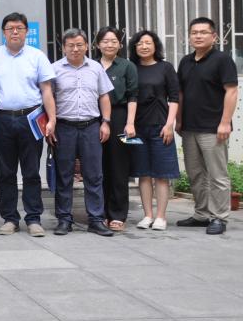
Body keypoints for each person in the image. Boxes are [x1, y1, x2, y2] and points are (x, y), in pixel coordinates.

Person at [0, 13, 56, 237]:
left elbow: (46, 90)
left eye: (19, 28)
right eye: (10, 28)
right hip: (1, 119)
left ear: (26, 31)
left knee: (31, 171)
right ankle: (10, 218)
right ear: (4, 32)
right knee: (6, 172)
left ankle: (33, 218)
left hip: (32, 119)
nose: (15, 32)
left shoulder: (37, 56)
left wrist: (52, 119)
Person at [176, 16, 238, 235]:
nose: (198, 36)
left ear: (214, 36)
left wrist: (225, 122)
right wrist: (179, 120)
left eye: (203, 32)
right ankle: (201, 214)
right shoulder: (185, 61)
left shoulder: (222, 60)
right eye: (194, 32)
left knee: (217, 175)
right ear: (189, 37)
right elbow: (180, 93)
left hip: (214, 128)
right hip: (189, 127)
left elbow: (231, 91)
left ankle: (219, 217)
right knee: (195, 174)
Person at [51, 28, 114, 236]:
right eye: (70, 45)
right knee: (64, 175)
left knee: (94, 175)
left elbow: (104, 96)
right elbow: (48, 98)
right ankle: (64, 219)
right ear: (63, 48)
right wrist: (50, 125)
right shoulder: (54, 69)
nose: (75, 49)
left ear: (87, 46)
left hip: (91, 126)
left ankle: (96, 219)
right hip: (64, 127)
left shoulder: (96, 68)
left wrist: (105, 122)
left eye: (79, 45)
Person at [128, 30, 180, 231]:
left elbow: (174, 98)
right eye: (140, 43)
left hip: (161, 127)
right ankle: (148, 215)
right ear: (135, 47)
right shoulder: (131, 68)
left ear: (155, 46)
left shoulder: (165, 67)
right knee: (143, 174)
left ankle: (161, 217)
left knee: (161, 174)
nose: (144, 46)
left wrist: (169, 124)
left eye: (148, 43)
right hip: (137, 128)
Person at [94, 26, 138, 231]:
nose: (109, 44)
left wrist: (130, 123)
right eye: (105, 41)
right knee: (98, 167)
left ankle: (118, 214)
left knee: (120, 167)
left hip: (121, 118)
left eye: (114, 41)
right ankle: (100, 213)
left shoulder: (127, 66)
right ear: (97, 44)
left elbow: (133, 96)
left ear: (120, 44)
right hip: (94, 118)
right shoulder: (91, 65)